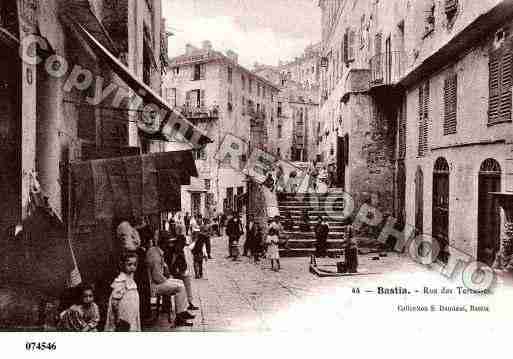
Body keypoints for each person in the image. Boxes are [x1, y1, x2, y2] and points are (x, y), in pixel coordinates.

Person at [145, 233, 195, 327]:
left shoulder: (156, 251)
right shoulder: (155, 256)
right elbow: (158, 278)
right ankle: (179, 317)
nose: (170, 245)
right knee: (179, 287)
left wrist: (168, 276)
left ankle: (182, 311)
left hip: (157, 281)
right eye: (169, 243)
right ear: (163, 243)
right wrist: (168, 279)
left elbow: (163, 269)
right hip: (155, 285)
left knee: (180, 282)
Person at [105, 252, 141, 331]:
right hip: (123, 314)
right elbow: (114, 301)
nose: (132, 267)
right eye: (129, 264)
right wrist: (117, 318)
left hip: (131, 313)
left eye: (134, 264)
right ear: (123, 265)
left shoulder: (131, 279)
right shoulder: (121, 281)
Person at [167, 228, 199, 311]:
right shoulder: (173, 251)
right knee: (182, 285)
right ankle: (182, 307)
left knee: (187, 281)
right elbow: (171, 264)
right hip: (174, 273)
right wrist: (176, 272)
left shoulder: (180, 250)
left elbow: (184, 263)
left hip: (180, 271)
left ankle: (189, 302)